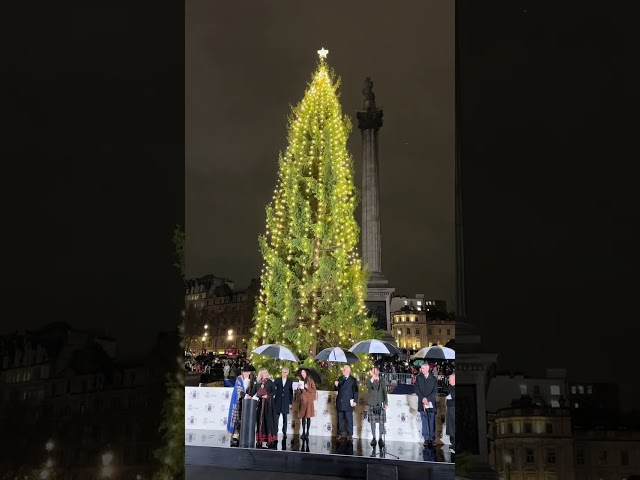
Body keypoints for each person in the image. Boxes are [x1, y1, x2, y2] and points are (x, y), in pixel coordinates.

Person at [247, 368, 277, 448]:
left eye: (267, 373)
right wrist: (248, 396)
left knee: (268, 421)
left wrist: (268, 396)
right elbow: (253, 392)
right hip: (260, 405)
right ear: (261, 374)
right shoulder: (258, 384)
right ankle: (260, 439)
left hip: (268, 405)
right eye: (264, 373)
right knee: (260, 421)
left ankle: (269, 440)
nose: (266, 374)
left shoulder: (270, 382)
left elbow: (274, 391)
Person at [226, 365, 255, 445]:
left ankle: (240, 435)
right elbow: (239, 390)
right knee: (235, 417)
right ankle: (233, 437)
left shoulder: (251, 379)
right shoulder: (239, 379)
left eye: (248, 372)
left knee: (243, 418)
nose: (246, 373)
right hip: (238, 401)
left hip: (246, 402)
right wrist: (245, 396)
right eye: (245, 372)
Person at [415, 363, 438, 447]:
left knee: (431, 421)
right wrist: (423, 398)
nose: (422, 370)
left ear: (428, 369)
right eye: (421, 368)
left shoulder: (434, 379)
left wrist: (427, 399)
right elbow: (417, 390)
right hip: (422, 403)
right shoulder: (418, 378)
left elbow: (435, 391)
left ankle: (432, 439)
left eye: (423, 368)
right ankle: (426, 438)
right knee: (424, 421)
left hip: (431, 403)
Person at [334, 364, 359, 441]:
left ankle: (350, 435)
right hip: (340, 402)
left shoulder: (353, 380)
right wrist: (336, 385)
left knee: (349, 420)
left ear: (348, 371)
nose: (343, 371)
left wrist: (355, 401)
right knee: (340, 419)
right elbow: (337, 388)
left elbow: (355, 391)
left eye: (344, 370)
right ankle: (339, 434)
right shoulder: (340, 378)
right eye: (343, 369)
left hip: (348, 402)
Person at [366, 365, 388, 448]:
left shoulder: (382, 381)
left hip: (381, 403)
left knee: (381, 422)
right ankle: (374, 438)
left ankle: (380, 438)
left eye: (375, 371)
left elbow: (384, 393)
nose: (374, 373)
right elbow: (368, 388)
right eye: (373, 371)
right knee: (373, 422)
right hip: (372, 403)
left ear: (378, 372)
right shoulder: (369, 381)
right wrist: (372, 379)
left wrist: (386, 402)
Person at [273, 367, 294, 439]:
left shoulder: (290, 381)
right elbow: (273, 388)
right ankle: (275, 431)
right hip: (277, 401)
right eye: (282, 372)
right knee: (276, 418)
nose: (283, 373)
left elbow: (291, 392)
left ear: (287, 373)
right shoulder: (277, 380)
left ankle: (284, 432)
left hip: (285, 402)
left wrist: (290, 402)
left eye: (285, 372)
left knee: (285, 418)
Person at [297, 368, 317, 440]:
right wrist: (298, 389)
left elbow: (314, 391)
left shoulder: (310, 381)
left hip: (309, 401)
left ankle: (307, 432)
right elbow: (298, 393)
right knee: (303, 417)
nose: (302, 374)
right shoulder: (300, 381)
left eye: (304, 372)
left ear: (306, 373)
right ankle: (303, 432)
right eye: (301, 372)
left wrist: (308, 387)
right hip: (303, 401)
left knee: (308, 416)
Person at [446, 371, 455, 453]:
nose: (448, 380)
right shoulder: (449, 387)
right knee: (450, 427)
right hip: (449, 408)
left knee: (453, 425)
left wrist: (451, 396)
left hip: (454, 408)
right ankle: (452, 443)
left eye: (450, 379)